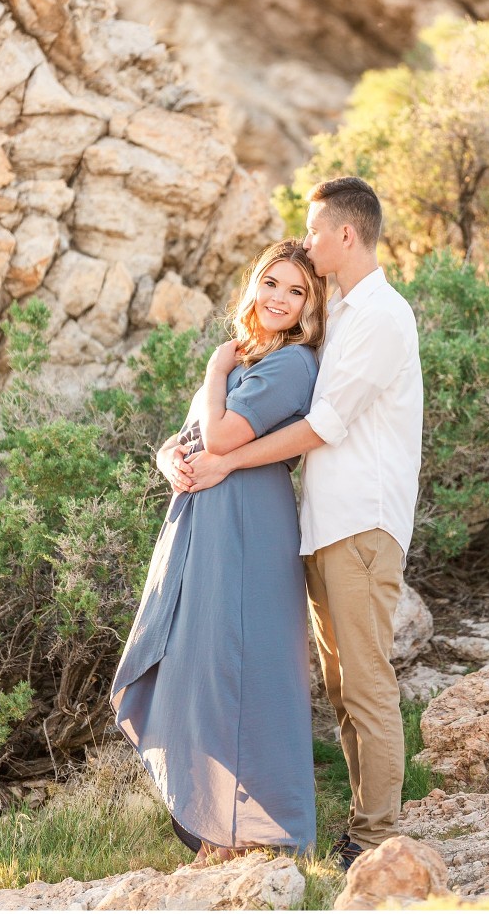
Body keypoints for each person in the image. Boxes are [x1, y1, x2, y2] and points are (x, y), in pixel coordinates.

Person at [178, 177, 423, 871]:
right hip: (321, 528)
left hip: (363, 526)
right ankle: (357, 825)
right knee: (342, 685)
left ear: (346, 235)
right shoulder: (340, 310)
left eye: (315, 232)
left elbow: (323, 424)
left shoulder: (382, 316)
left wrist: (227, 461)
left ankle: (376, 838)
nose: (307, 242)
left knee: (366, 682)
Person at [110, 240, 327, 864]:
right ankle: (214, 825)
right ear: (253, 285)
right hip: (202, 517)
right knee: (196, 662)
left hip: (246, 521)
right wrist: (165, 458)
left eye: (297, 292)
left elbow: (226, 433)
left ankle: (259, 830)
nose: (281, 299)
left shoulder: (289, 364)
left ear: (311, 306)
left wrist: (212, 368)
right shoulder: (248, 356)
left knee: (240, 667)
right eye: (273, 284)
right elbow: (192, 437)